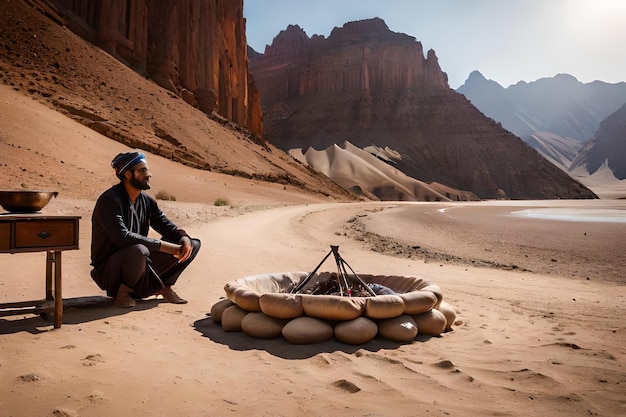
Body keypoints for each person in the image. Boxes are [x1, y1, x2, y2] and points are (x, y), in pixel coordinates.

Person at [90, 151, 201, 307]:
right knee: (139, 250)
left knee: (193, 245)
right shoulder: (110, 200)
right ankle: (122, 293)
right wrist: (167, 248)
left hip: (140, 263)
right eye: (142, 170)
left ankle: (163, 287)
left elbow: (167, 227)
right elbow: (123, 238)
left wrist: (184, 239)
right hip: (109, 271)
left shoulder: (147, 202)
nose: (149, 175)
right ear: (128, 174)